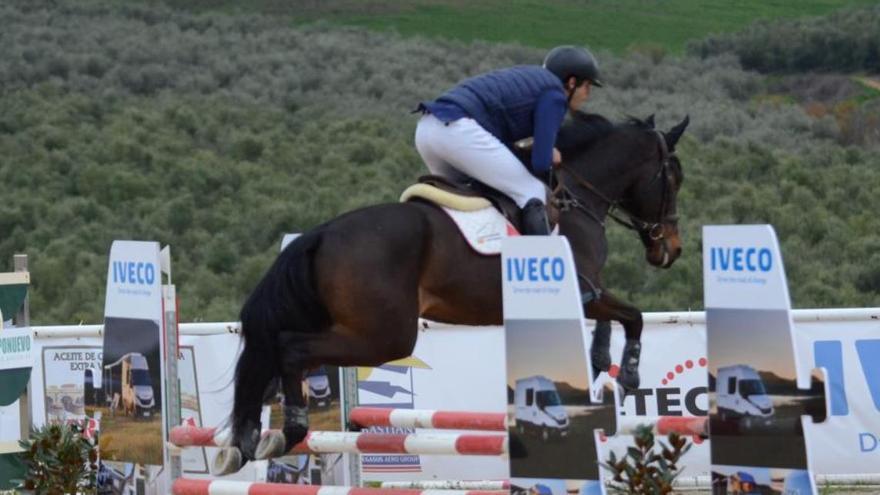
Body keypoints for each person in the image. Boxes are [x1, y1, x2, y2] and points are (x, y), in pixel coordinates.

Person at [414, 45, 603, 235]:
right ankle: (535, 260)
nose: (587, 95)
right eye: (587, 86)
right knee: (533, 192)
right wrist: (550, 155)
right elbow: (541, 163)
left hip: (427, 128)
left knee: (470, 197)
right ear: (571, 82)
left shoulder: (531, 78)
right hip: (457, 131)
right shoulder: (555, 95)